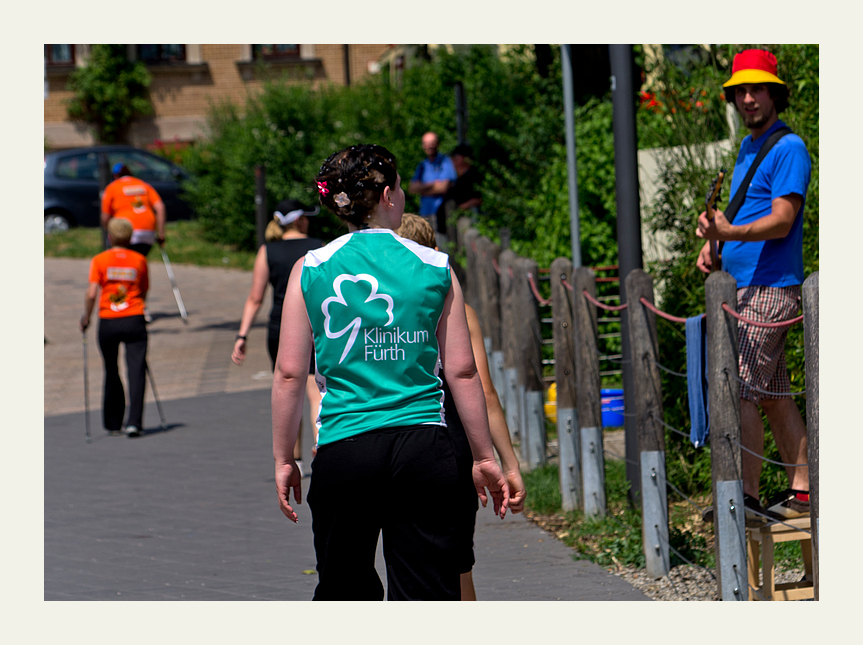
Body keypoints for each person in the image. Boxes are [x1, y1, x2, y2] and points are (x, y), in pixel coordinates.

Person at [271, 144, 509, 601]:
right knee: (425, 592)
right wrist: (483, 457)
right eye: (399, 186)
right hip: (422, 444)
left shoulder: (310, 269)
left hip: (345, 445)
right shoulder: (435, 265)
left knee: (344, 589)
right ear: (386, 196)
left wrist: (286, 458)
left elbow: (287, 373)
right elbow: (461, 372)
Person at [696, 49, 811, 522]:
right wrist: (714, 246)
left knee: (739, 385)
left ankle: (744, 495)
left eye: (756, 89)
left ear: (774, 93)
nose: (747, 99)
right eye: (740, 91)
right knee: (772, 393)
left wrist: (728, 234)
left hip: (770, 288)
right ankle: (804, 489)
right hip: (745, 288)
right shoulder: (749, 147)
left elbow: (782, 222)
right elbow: (746, 216)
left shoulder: (789, 148)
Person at [395, 213, 525, 601]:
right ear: (434, 253)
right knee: (457, 566)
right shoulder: (457, 311)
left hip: (395, 443)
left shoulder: (382, 311)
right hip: (450, 445)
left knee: (403, 564)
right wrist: (508, 464)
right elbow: (484, 391)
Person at [232, 199, 323, 469]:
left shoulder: (267, 251)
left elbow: (255, 298)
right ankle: (321, 445)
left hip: (280, 329)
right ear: (300, 221)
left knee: (289, 391)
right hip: (312, 326)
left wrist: (242, 336)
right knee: (315, 391)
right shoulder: (319, 248)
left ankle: (294, 458)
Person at [80, 217, 149, 438]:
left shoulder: (100, 260)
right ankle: (134, 422)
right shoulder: (139, 260)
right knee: (136, 369)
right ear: (130, 238)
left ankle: (112, 422)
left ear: (109, 237)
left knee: (111, 369)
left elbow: (92, 293)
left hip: (108, 319)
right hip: (134, 317)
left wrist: (86, 317)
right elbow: (144, 288)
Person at [101, 162, 167, 258]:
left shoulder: (112, 187)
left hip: (124, 231)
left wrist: (110, 231)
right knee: (139, 260)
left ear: (115, 176)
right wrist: (161, 234)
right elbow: (160, 208)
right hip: (147, 232)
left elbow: (105, 216)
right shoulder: (143, 184)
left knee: (125, 263)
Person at [408, 131, 457, 236]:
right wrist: (433, 185)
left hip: (442, 213)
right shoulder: (422, 165)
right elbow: (412, 188)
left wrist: (422, 189)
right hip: (425, 213)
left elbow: (443, 187)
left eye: (432, 142)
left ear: (437, 144)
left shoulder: (445, 161)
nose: (429, 146)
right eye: (426, 143)